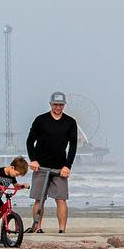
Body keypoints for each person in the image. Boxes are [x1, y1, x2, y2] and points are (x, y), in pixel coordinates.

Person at [26, 92, 79, 234]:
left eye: (61, 105)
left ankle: (62, 229)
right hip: (41, 166)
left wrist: (68, 166)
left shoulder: (70, 122)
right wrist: (33, 160)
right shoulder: (40, 120)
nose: (58, 107)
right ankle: (37, 228)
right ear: (50, 104)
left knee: (61, 199)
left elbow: (73, 146)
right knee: (39, 199)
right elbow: (30, 141)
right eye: (55, 104)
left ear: (64, 105)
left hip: (59, 167)